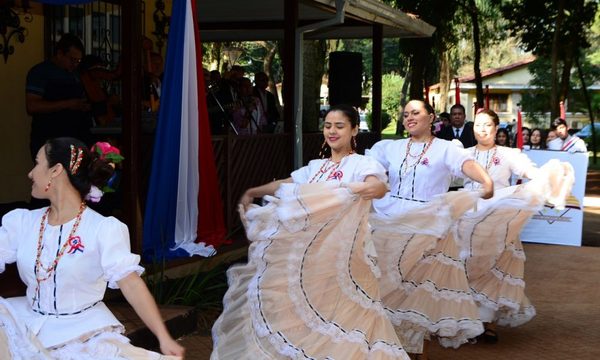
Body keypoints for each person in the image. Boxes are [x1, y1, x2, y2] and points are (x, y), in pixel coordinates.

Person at [211, 105, 410, 359]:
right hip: (313, 260)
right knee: (309, 321)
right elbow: (286, 183)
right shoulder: (315, 167)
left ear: (354, 130)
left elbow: (378, 186)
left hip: (347, 258)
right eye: (328, 126)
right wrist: (253, 192)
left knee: (348, 320)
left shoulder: (363, 163)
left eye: (339, 126)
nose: (332, 131)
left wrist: (359, 188)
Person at [0, 137, 185, 359]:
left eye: (37, 163)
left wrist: (163, 337)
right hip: (26, 328)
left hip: (83, 336)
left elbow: (132, 285)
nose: (31, 173)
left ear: (56, 170)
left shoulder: (102, 229)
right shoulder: (22, 223)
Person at [366, 100, 493, 358]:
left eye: (416, 113)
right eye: (405, 114)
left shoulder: (446, 149)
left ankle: (412, 351)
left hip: (427, 227)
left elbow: (466, 165)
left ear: (431, 117)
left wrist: (485, 180)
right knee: (385, 287)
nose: (409, 118)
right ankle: (386, 347)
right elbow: (367, 169)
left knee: (414, 292)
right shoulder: (390, 147)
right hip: (388, 223)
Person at [458, 109, 574, 343]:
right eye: (478, 125)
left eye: (487, 125)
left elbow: (531, 172)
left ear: (496, 127)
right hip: (466, 221)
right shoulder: (463, 154)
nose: (482, 129)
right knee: (464, 268)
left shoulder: (509, 154)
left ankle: (486, 322)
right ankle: (464, 321)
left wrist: (548, 175)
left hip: (499, 222)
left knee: (493, 270)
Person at [26, 33, 92, 160]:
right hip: (49, 142)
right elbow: (32, 106)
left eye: (78, 61)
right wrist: (68, 104)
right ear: (60, 53)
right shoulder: (40, 72)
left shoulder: (76, 75)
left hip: (75, 141)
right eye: (72, 59)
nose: (75, 64)